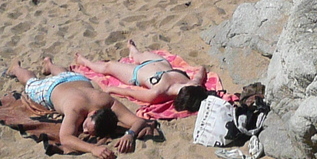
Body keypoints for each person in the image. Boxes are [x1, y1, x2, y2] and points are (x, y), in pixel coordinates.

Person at [8, 58, 158, 159]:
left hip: (76, 79)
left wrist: (130, 134)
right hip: (50, 89)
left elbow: (139, 121)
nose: (84, 130)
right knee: (31, 82)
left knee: (63, 73)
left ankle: (49, 64)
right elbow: (65, 138)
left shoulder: (107, 101)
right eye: (87, 125)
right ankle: (16, 68)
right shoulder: (76, 110)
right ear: (92, 114)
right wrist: (92, 149)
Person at [73, 42, 213, 108]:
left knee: (107, 66)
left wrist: (111, 89)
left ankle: (85, 62)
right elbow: (201, 72)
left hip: (136, 73)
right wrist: (201, 69)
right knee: (140, 55)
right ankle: (134, 52)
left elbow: (130, 92)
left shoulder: (158, 93)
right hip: (159, 62)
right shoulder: (193, 85)